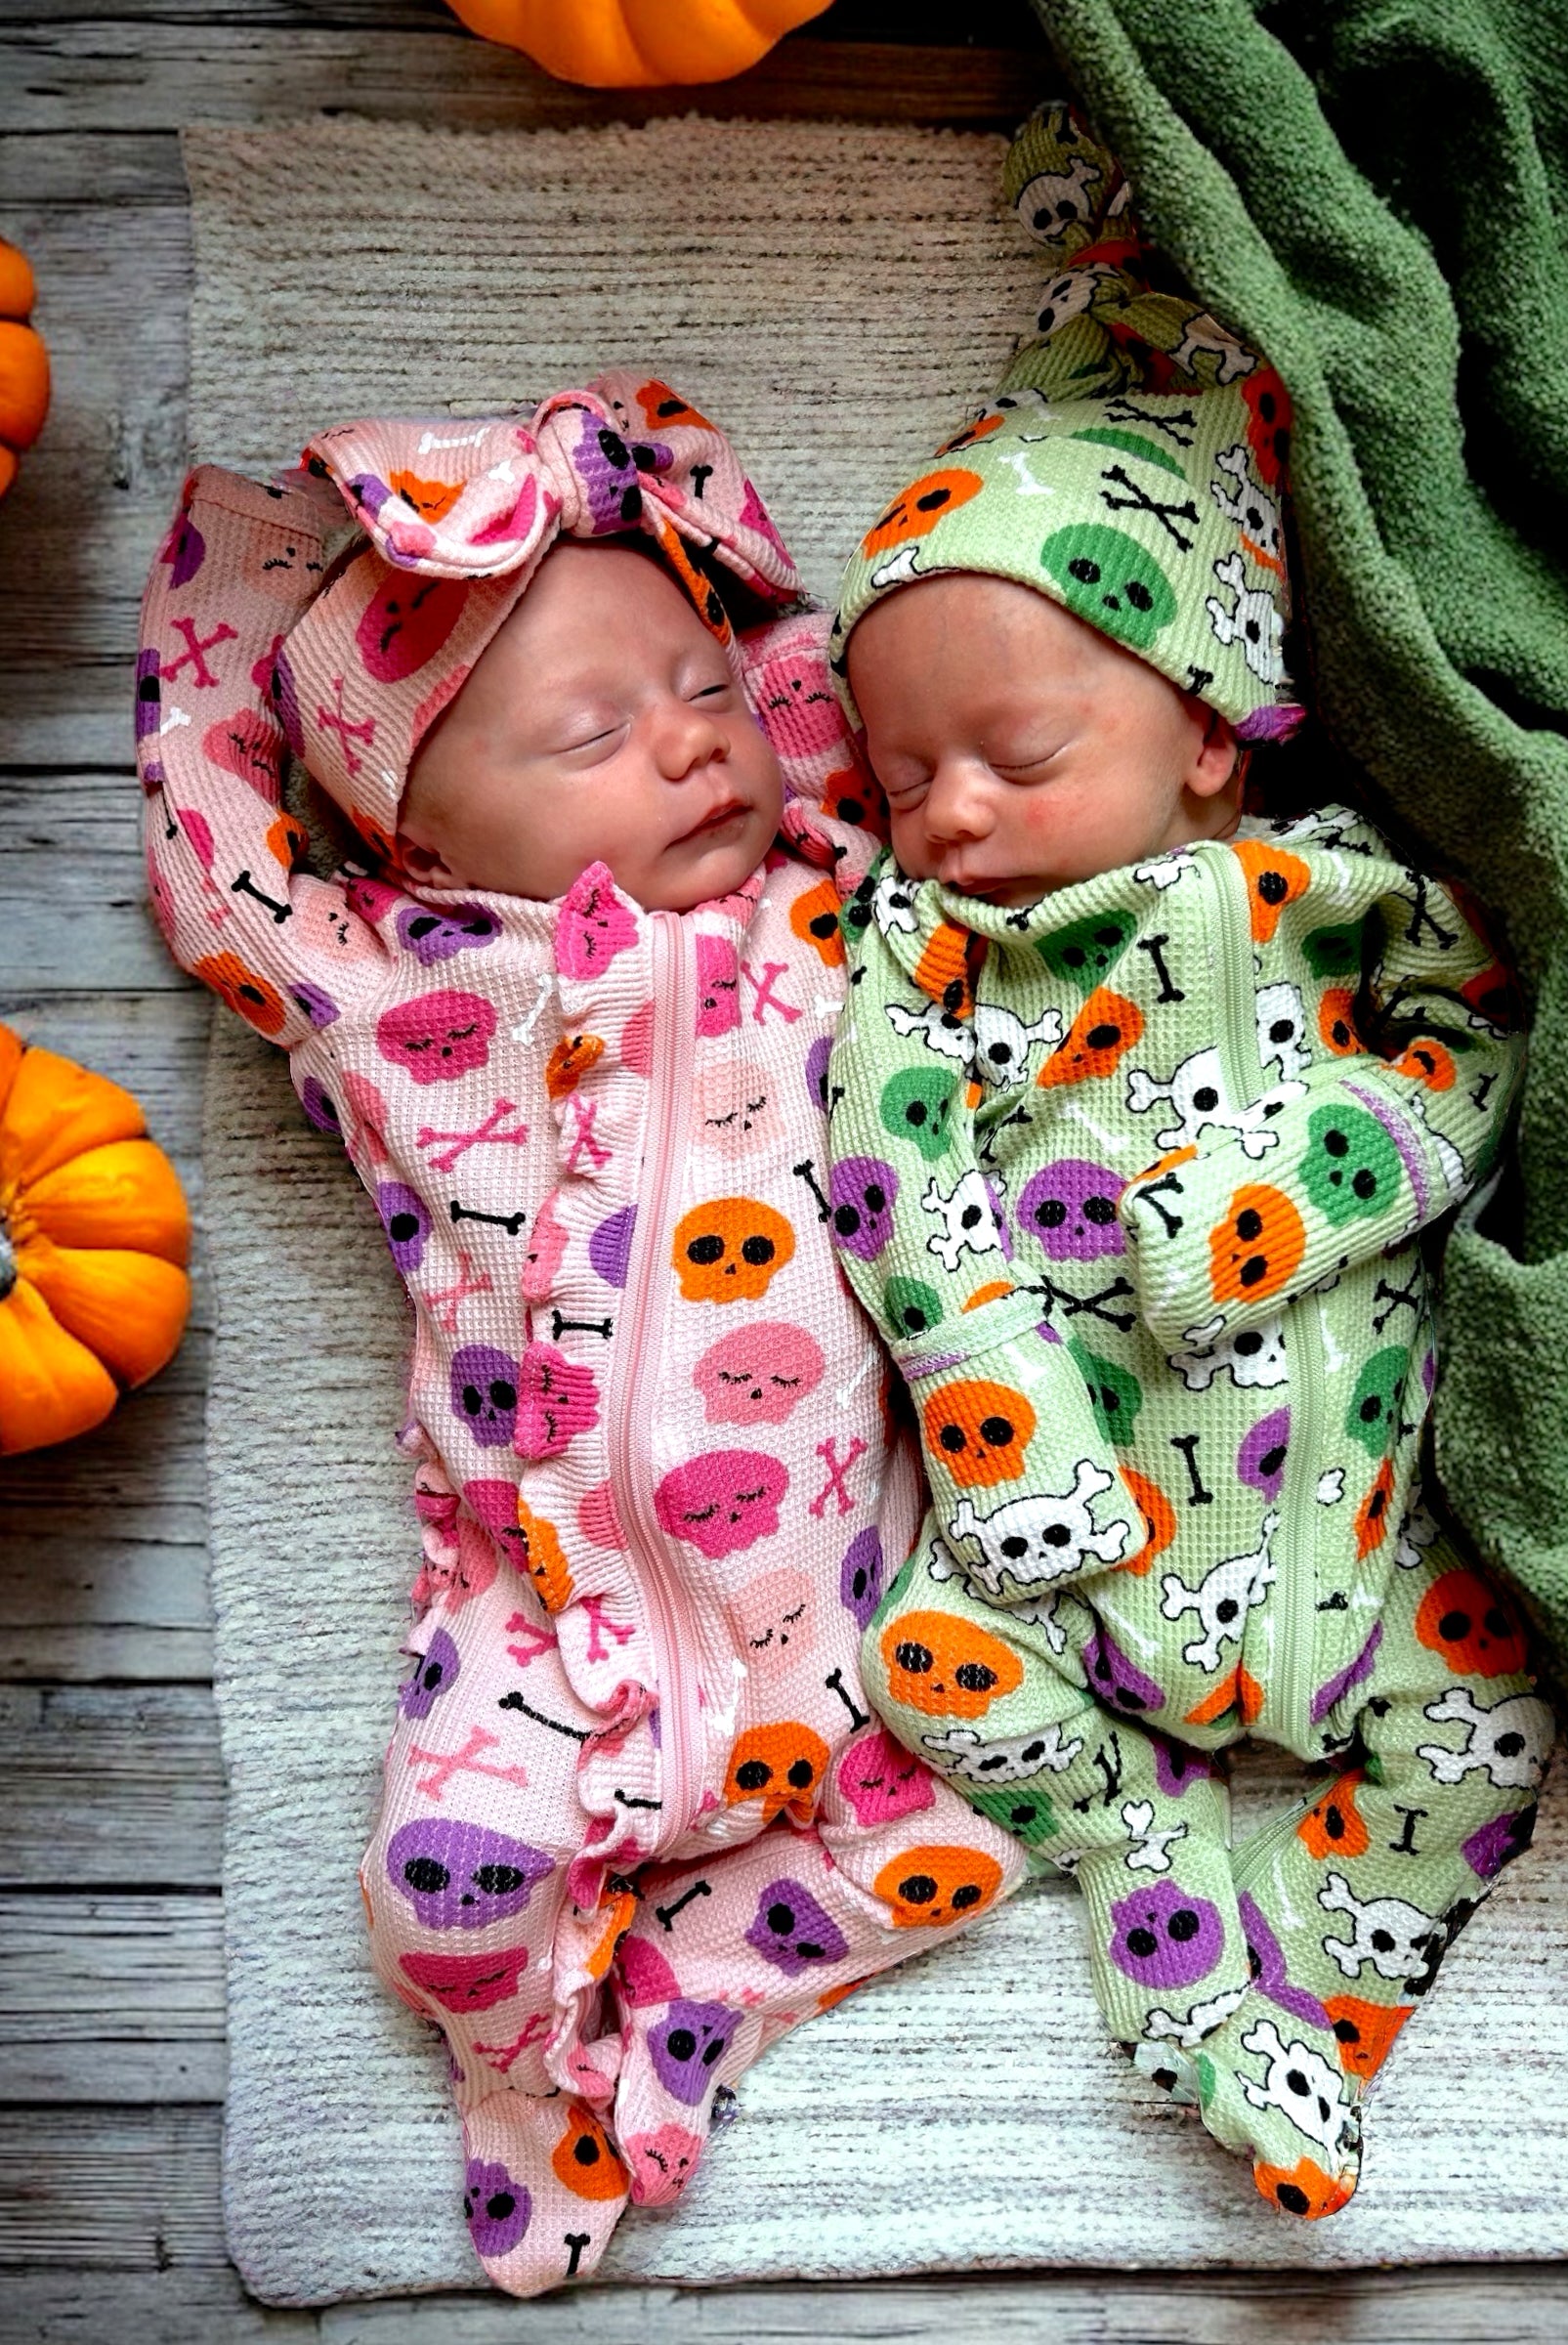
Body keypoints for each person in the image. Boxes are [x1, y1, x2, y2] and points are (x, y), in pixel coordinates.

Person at [136, 376, 1021, 2296]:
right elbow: (214, 833)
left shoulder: (831, 906)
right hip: (530, 1627)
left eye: (697, 701)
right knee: (435, 1905)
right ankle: (541, 2078)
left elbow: (822, 654)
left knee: (1015, 1790)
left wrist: (652, 511)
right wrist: (261, 567)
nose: (690, 748)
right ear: (419, 827)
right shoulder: (381, 987)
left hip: (850, 1622)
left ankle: (697, 1997)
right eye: (595, 733)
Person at [823, 107, 1552, 2220]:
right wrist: (997, 1411)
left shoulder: (1326, 895)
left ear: (1212, 724)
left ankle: (1300, 2011)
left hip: (1368, 1506)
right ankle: (1147, 1875)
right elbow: (895, 1179)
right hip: (1086, 1504)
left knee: (1479, 1741)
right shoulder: (928, 957)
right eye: (897, 774)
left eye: (1014, 754)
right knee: (930, 1675)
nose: (944, 809)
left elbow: (1481, 1057)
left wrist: (1319, 1186)